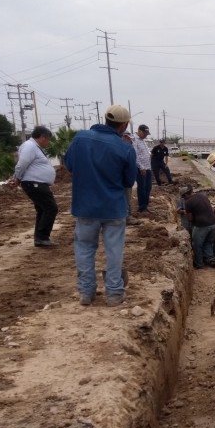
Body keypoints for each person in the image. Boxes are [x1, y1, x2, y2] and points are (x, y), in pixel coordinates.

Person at [64, 104, 137, 306]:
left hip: (85, 206)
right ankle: (114, 293)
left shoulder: (80, 138)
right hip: (113, 208)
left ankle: (86, 293)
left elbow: (69, 165)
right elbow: (129, 181)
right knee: (114, 250)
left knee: (84, 248)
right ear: (123, 125)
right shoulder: (125, 148)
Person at [13, 125, 58, 247]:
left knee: (42, 209)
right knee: (51, 208)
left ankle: (40, 238)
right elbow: (22, 163)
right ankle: (42, 237)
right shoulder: (30, 146)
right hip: (34, 183)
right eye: (48, 139)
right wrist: (17, 177)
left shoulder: (33, 147)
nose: (48, 143)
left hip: (36, 183)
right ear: (43, 137)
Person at [179, 185, 215, 269]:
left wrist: (192, 227)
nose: (183, 198)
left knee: (197, 245)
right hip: (213, 224)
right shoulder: (203, 196)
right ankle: (210, 258)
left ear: (186, 195)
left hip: (201, 225)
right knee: (208, 242)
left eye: (183, 196)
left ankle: (199, 263)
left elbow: (190, 219)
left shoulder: (188, 203)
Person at [132, 124, 152, 215]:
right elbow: (135, 156)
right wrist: (141, 168)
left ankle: (146, 205)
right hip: (141, 169)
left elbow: (146, 152)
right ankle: (142, 207)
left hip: (148, 167)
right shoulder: (134, 140)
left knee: (148, 187)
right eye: (145, 133)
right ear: (139, 131)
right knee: (142, 188)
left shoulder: (143, 140)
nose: (146, 136)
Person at [122, 131, 140, 226]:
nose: (131, 142)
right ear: (124, 137)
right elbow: (130, 167)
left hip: (121, 180)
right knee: (126, 198)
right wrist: (130, 181)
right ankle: (127, 217)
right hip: (124, 180)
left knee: (126, 198)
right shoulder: (127, 149)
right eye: (130, 139)